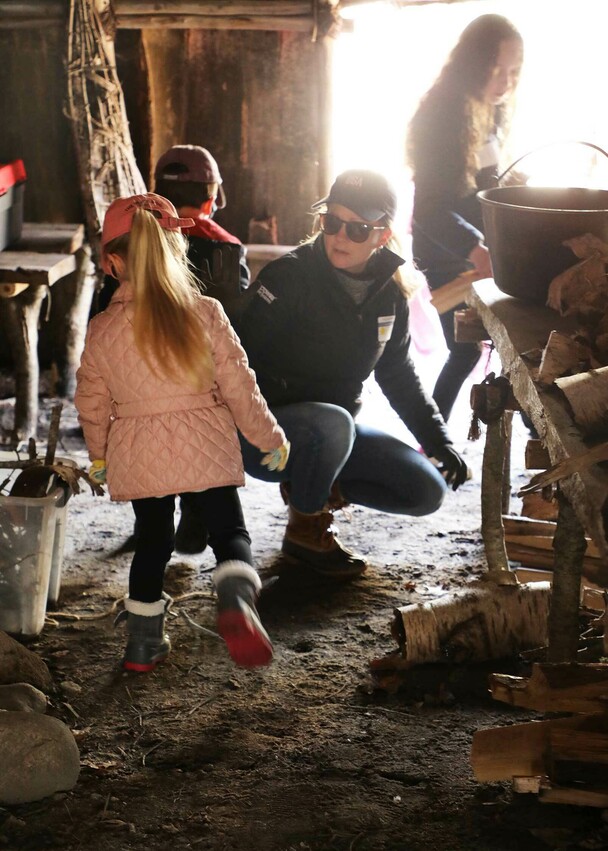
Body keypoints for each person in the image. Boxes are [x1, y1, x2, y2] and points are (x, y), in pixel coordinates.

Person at [75, 193, 290, 672]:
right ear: (177, 248)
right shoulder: (207, 312)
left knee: (153, 541)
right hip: (206, 445)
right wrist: (269, 436)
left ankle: (142, 646)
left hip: (139, 452)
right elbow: (240, 385)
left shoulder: (102, 329)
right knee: (229, 530)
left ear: (112, 263)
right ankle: (235, 596)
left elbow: (91, 402)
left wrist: (100, 455)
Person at [234, 169, 469, 581]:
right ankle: (305, 531)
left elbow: (398, 373)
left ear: (382, 234)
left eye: (358, 229)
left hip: (332, 436)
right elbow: (235, 359)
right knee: (333, 421)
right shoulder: (288, 277)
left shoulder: (389, 292)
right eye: (332, 222)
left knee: (426, 490)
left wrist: (438, 440)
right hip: (266, 436)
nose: (341, 236)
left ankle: (315, 487)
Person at [99, 144, 251, 555]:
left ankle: (152, 527)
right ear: (210, 195)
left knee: (150, 455)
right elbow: (239, 325)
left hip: (138, 389)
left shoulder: (127, 246)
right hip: (204, 383)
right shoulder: (228, 247)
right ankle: (198, 515)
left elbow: (105, 317)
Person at [406, 14, 524, 422]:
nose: (506, 81)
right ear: (473, 63)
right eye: (496, 70)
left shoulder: (491, 110)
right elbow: (431, 207)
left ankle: (531, 421)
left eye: (514, 70)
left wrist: (508, 186)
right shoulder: (443, 113)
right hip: (442, 246)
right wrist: (474, 246)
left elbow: (477, 184)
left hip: (477, 246)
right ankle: (432, 439)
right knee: (463, 349)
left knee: (494, 345)